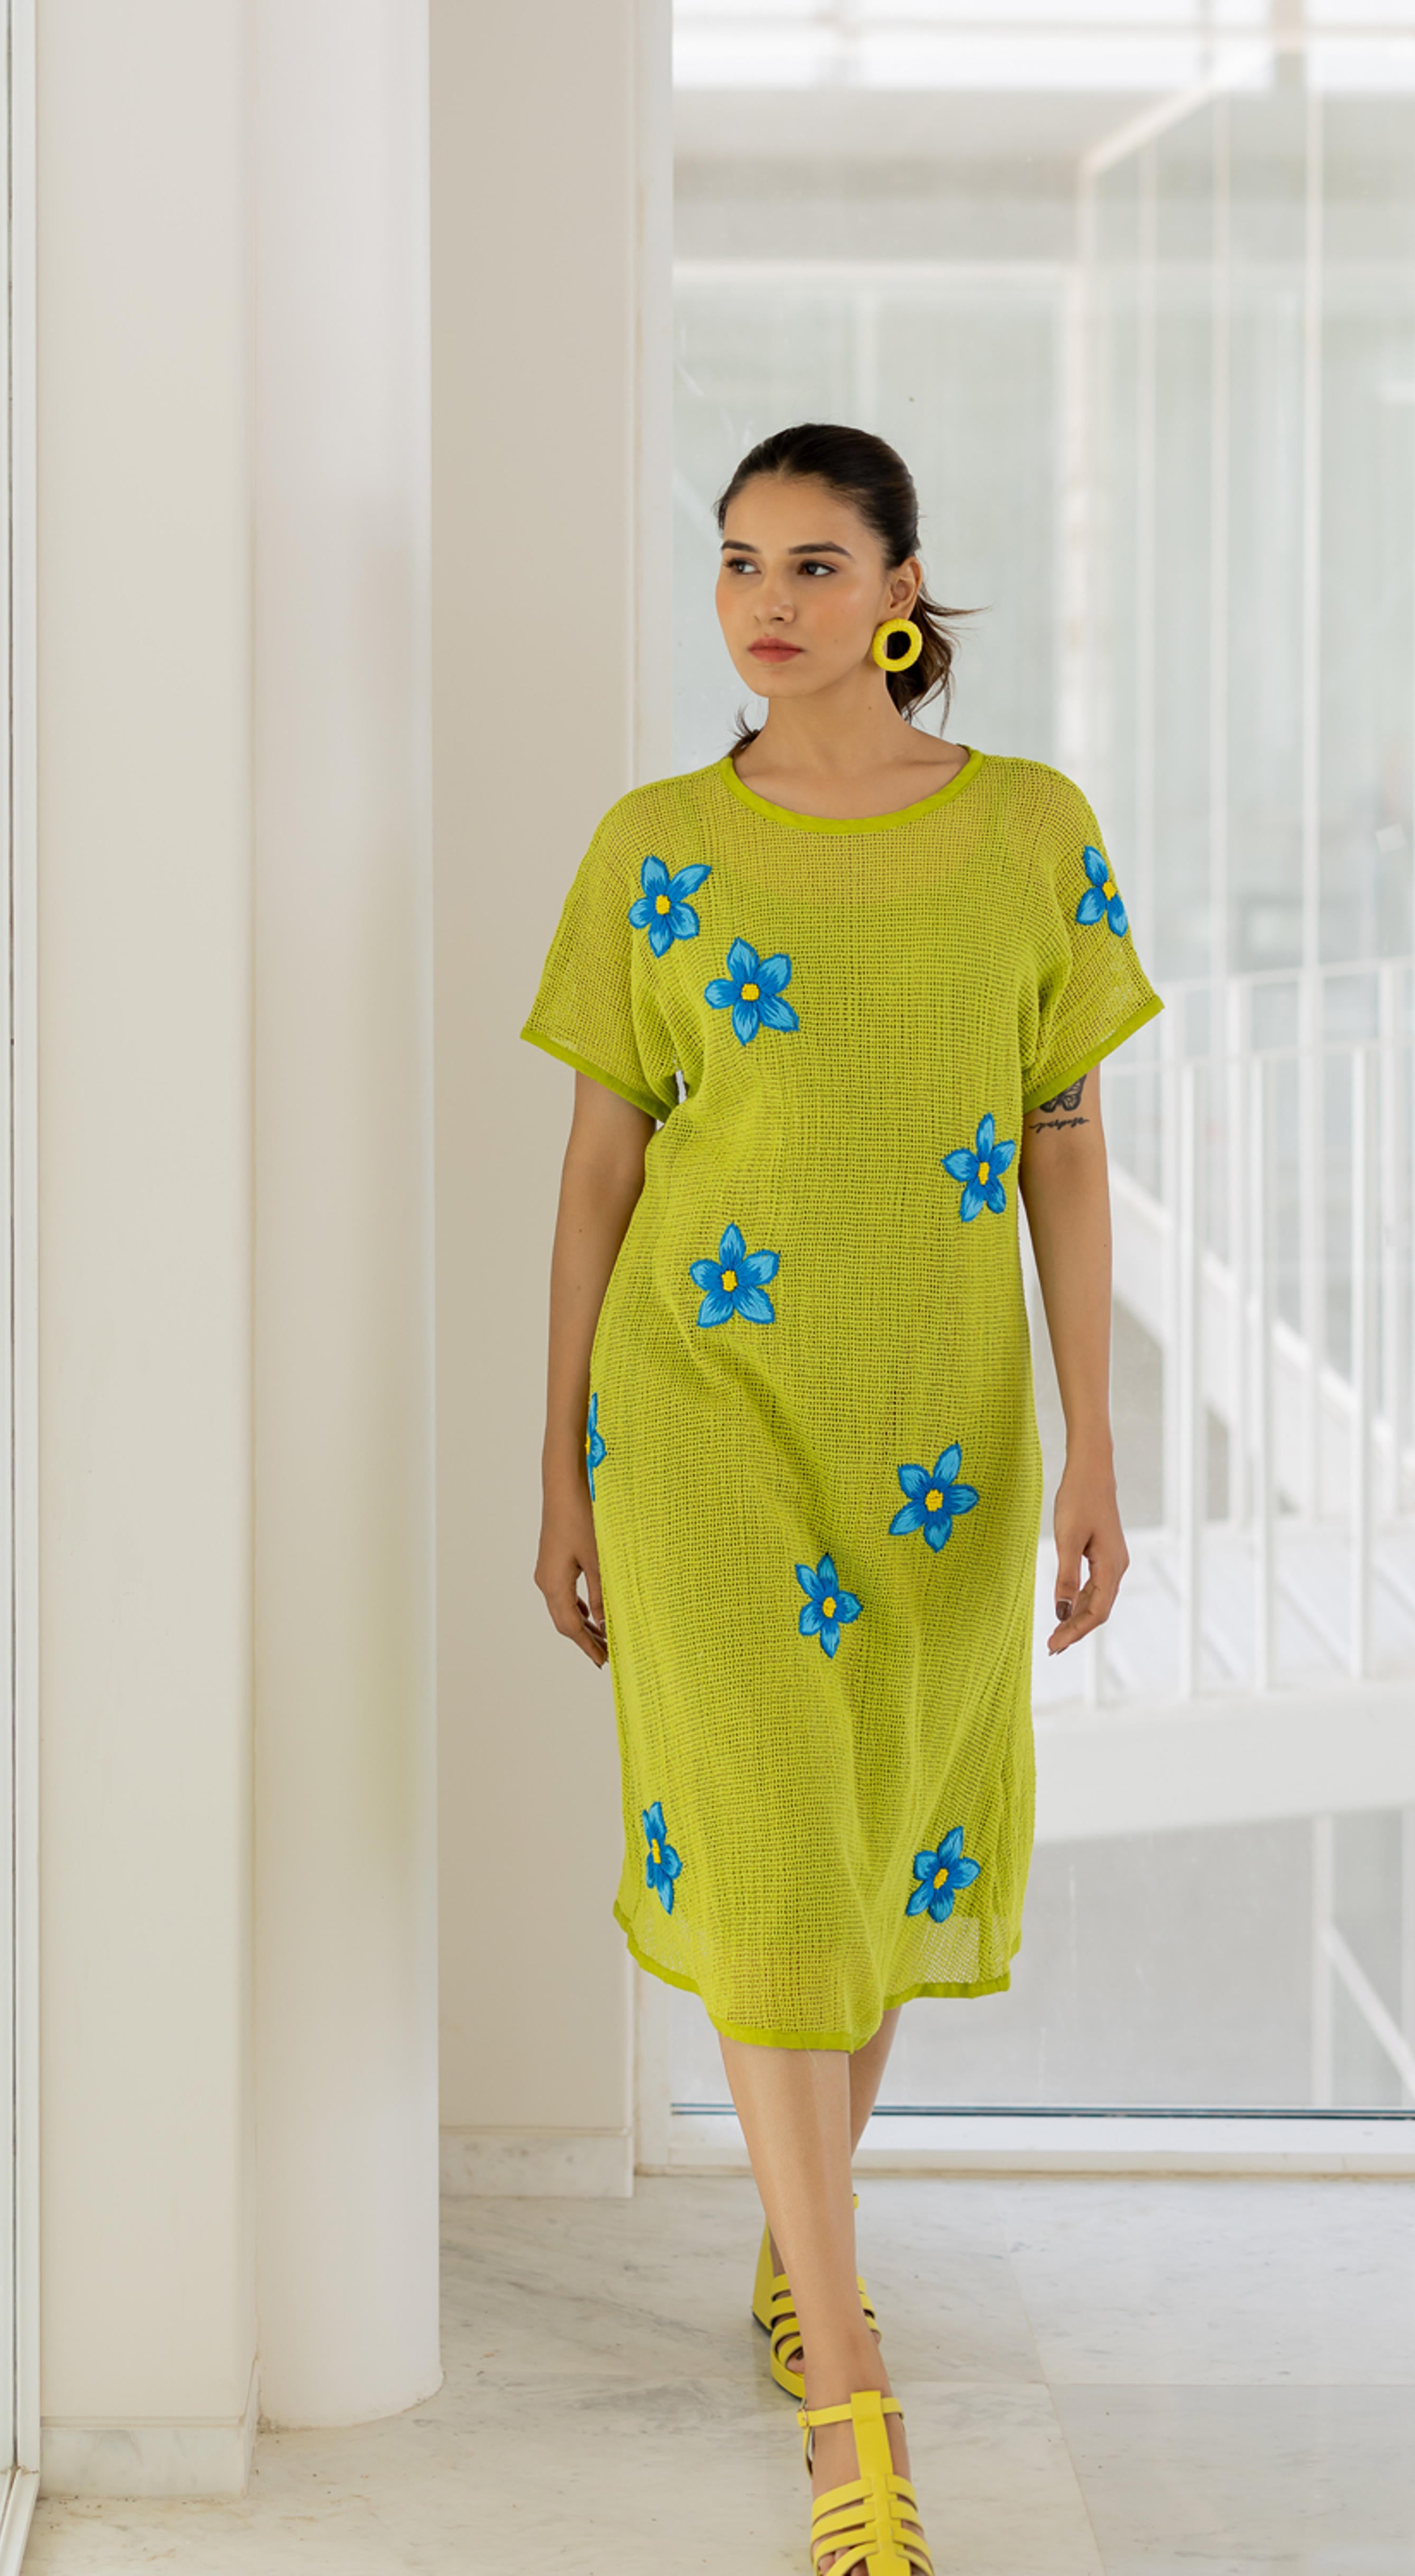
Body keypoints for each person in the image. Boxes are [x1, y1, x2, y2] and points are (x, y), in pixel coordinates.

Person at [521, 423, 1164, 2576]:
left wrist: (1093, 1440)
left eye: (811, 561)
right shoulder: (653, 846)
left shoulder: (1029, 830)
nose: (765, 602)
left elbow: (1062, 1142)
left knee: (875, 1832)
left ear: (898, 586)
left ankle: (803, 2239)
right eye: (734, 562)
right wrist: (556, 1456)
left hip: (944, 1432)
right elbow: (598, 1171)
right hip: (697, 1417)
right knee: (775, 1837)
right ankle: (848, 2391)